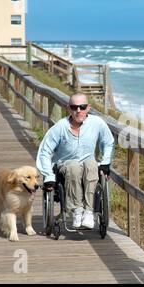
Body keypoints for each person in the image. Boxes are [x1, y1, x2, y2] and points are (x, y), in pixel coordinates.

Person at [36, 92, 114, 229]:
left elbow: (108, 142)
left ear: (88, 108)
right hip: (65, 164)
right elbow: (44, 151)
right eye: (74, 107)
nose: (78, 110)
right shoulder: (60, 127)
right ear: (69, 108)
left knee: (92, 165)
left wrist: (106, 162)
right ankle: (77, 211)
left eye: (82, 107)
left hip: (88, 163)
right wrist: (48, 175)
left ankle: (89, 212)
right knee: (74, 167)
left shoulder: (97, 123)